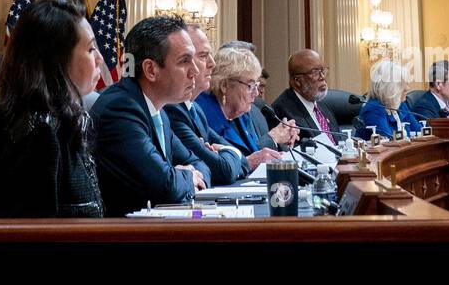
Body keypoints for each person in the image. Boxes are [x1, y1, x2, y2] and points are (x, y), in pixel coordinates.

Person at [0, 0, 103, 217]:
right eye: (91, 49)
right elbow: (35, 239)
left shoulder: (68, 123)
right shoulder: (39, 135)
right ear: (56, 59)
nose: (100, 59)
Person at [89, 16, 211, 216]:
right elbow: (166, 186)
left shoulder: (158, 111)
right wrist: (187, 176)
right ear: (150, 70)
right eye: (184, 61)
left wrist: (183, 174)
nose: (195, 71)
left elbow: (201, 165)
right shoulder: (120, 110)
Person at [166, 25, 281, 184]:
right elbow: (223, 169)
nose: (212, 64)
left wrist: (227, 153)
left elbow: (238, 157)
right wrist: (233, 156)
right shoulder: (175, 109)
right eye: (203, 55)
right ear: (225, 85)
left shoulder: (196, 110)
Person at [195, 46, 299, 155]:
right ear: (224, 85)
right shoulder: (203, 117)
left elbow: (253, 154)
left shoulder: (241, 114)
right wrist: (273, 138)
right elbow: (240, 161)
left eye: (256, 85)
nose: (256, 93)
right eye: (250, 85)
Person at [271, 48, 343, 142]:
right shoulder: (283, 111)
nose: (322, 77)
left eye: (322, 70)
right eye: (315, 72)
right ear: (297, 81)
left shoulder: (323, 107)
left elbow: (338, 143)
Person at [356, 60, 423, 140]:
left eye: (407, 83)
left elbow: (420, 132)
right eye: (401, 85)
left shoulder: (401, 105)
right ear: (387, 88)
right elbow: (390, 142)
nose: (407, 88)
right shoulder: (374, 110)